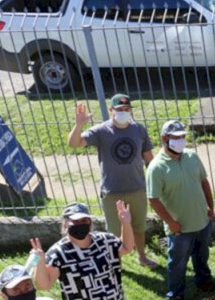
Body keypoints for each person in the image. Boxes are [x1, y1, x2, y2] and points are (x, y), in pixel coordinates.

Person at [67, 94, 157, 268]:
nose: (123, 112)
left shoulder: (139, 129)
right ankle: (116, 262)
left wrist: (155, 181)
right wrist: (78, 125)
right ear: (111, 110)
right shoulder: (101, 131)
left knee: (139, 227)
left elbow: (149, 159)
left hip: (137, 189)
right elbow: (74, 143)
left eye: (126, 109)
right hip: (112, 192)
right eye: (119, 110)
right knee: (114, 232)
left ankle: (142, 256)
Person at [146, 120, 215, 300]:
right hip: (180, 227)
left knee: (202, 254)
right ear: (164, 139)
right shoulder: (156, 167)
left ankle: (203, 280)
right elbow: (153, 200)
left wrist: (211, 207)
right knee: (178, 263)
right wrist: (171, 223)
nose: (180, 140)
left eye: (182, 137)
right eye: (175, 137)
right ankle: (176, 293)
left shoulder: (192, 157)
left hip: (202, 219)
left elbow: (204, 182)